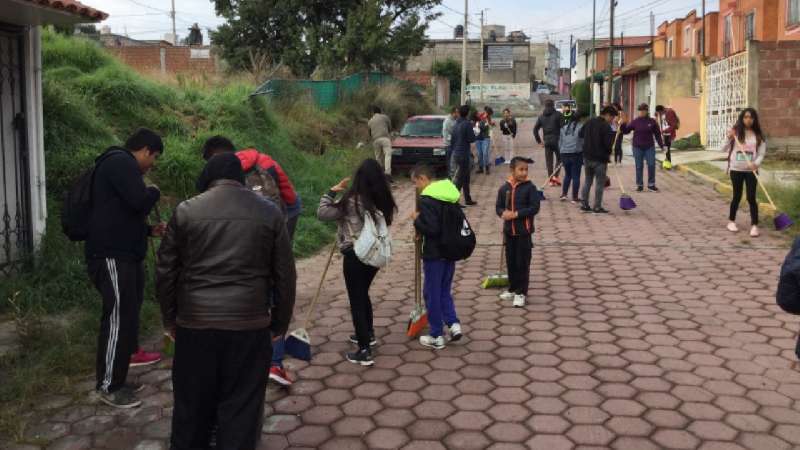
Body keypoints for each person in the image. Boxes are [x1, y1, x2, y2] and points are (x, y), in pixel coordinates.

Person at [157, 153, 296, 450]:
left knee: (191, 409)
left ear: (208, 178)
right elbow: (285, 275)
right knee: (241, 410)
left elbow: (166, 271)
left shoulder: (185, 211)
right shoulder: (269, 213)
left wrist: (170, 320)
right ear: (242, 180)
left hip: (195, 327)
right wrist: (278, 324)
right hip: (249, 326)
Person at [201, 136, 300, 387]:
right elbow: (290, 197)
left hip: (232, 254)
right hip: (269, 235)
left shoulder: (215, 176)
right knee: (275, 294)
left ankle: (240, 363)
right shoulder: (265, 161)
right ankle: (275, 364)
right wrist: (285, 233)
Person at [86, 128, 165, 409]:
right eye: (153, 157)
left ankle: (118, 378)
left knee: (127, 315)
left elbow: (122, 215)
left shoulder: (120, 165)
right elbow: (139, 202)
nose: (151, 164)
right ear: (145, 150)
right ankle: (107, 387)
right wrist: (153, 191)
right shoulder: (119, 162)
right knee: (117, 318)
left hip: (124, 254)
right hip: (111, 256)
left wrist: (147, 231)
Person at [318, 159, 397, 366]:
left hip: (355, 255)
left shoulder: (352, 200)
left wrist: (331, 192)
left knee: (357, 300)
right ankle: (368, 334)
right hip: (374, 255)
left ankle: (364, 349)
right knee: (362, 294)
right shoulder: (383, 198)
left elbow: (323, 213)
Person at [411, 164, 464, 350]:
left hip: (434, 254)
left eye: (415, 183)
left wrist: (417, 220)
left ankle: (436, 335)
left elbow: (432, 228)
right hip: (450, 251)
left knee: (431, 293)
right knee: (443, 290)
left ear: (423, 179)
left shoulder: (427, 199)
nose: (416, 187)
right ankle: (453, 324)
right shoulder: (449, 194)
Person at [496, 157, 541, 308]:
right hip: (509, 233)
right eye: (521, 169)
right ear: (512, 170)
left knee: (522, 262)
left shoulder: (530, 188)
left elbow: (534, 208)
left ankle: (521, 292)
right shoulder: (504, 189)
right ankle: (513, 288)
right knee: (511, 262)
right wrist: (503, 213)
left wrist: (516, 214)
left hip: (524, 232)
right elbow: (499, 207)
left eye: (526, 170)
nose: (524, 173)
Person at [725, 108, 766, 237]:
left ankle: (754, 225)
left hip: (751, 171)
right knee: (737, 196)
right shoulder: (736, 133)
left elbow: (761, 154)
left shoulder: (758, 135)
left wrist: (756, 164)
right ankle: (731, 221)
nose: (748, 120)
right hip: (736, 169)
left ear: (754, 119)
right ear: (742, 119)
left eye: (751, 117)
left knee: (751, 198)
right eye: (746, 117)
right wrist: (728, 138)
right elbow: (723, 148)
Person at [579, 106, 617, 214]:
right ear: (607, 115)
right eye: (612, 117)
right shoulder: (606, 126)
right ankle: (597, 206)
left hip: (587, 157)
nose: (612, 120)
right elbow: (608, 144)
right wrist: (609, 153)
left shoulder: (589, 122)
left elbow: (580, 134)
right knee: (600, 183)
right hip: (600, 159)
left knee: (587, 181)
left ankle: (584, 205)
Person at [620, 103, 665, 192]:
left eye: (643, 110)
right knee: (639, 166)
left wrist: (662, 145)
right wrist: (623, 124)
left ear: (646, 111)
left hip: (649, 147)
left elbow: (657, 134)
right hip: (637, 147)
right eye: (640, 110)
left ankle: (651, 185)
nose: (641, 112)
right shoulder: (635, 121)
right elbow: (626, 131)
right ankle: (639, 185)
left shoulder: (652, 122)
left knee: (651, 164)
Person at [451, 105, 477, 207]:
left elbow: (452, 139)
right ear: (467, 113)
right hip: (463, 154)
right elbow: (471, 139)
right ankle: (454, 201)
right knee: (461, 179)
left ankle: (468, 199)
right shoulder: (467, 124)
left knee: (466, 177)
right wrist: (475, 133)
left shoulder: (456, 123)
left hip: (457, 153)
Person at [534, 99, 564, 186]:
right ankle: (555, 176)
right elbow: (563, 128)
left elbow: (535, 129)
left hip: (547, 141)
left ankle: (551, 180)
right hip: (557, 140)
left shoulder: (541, 116)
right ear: (553, 105)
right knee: (560, 159)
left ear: (545, 106)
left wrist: (539, 141)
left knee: (549, 161)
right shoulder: (558, 115)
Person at [559, 111, 584, 203]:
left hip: (564, 154)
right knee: (576, 176)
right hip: (576, 154)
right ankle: (575, 197)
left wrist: (562, 152)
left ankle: (564, 194)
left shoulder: (564, 128)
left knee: (567, 175)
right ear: (580, 118)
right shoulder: (581, 128)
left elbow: (560, 142)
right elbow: (583, 142)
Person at [368, 106, 393, 179]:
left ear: (373, 112)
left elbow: (369, 133)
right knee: (387, 155)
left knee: (378, 157)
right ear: (380, 111)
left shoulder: (370, 121)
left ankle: (379, 173)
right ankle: (387, 173)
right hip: (385, 138)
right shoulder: (385, 117)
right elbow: (389, 127)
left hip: (375, 140)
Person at [443, 106, 459, 178]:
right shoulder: (448, 121)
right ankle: (450, 177)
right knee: (450, 162)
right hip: (449, 145)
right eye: (456, 113)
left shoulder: (454, 120)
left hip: (453, 144)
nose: (458, 114)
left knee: (453, 162)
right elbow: (454, 132)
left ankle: (452, 176)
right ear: (453, 113)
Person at [475, 109, 492, 174]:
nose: (484, 114)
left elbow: (484, 128)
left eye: (486, 114)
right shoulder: (477, 120)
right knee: (479, 154)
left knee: (485, 153)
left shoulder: (487, 120)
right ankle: (481, 168)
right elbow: (475, 129)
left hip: (485, 138)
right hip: (478, 138)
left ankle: (487, 167)